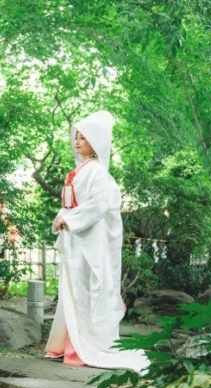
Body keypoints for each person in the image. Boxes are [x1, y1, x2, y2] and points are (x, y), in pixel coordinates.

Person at [43, 110, 149, 373]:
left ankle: (81, 347)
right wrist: (61, 217)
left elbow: (97, 206)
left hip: (89, 243)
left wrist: (70, 219)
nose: (77, 141)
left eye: (84, 137)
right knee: (72, 292)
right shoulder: (79, 170)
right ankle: (66, 344)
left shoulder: (98, 173)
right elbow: (71, 204)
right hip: (76, 242)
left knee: (86, 292)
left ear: (96, 142)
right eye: (76, 136)